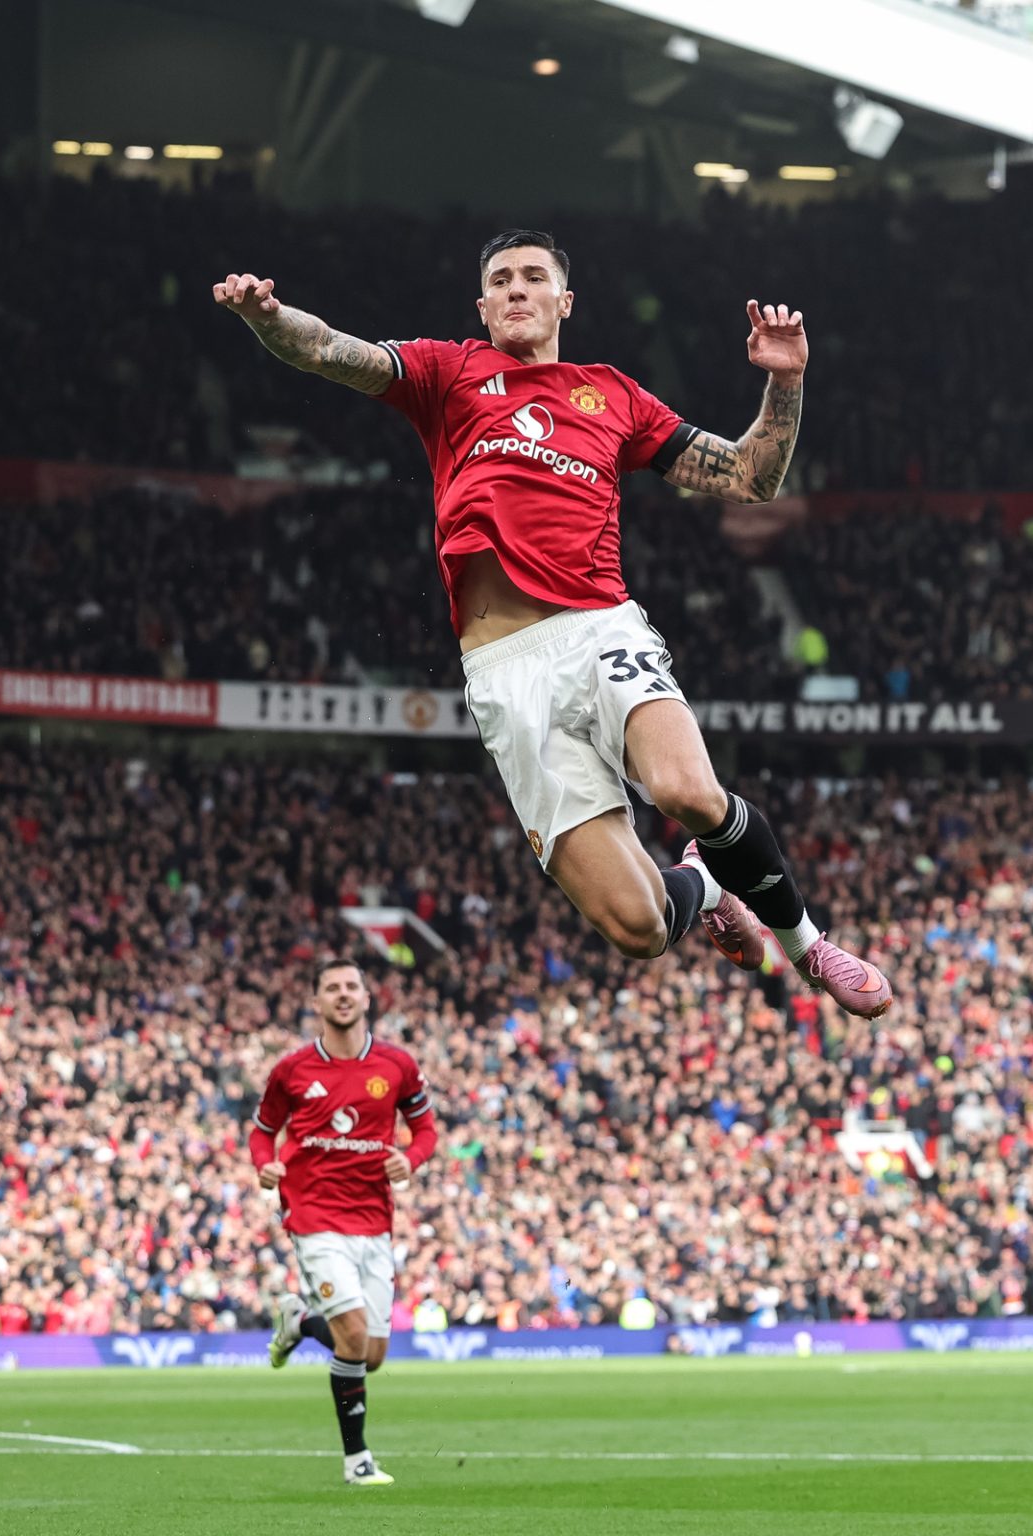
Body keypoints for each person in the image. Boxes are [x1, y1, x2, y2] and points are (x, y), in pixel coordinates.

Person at [213, 231, 891, 1017]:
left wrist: (786, 384)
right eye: (500, 279)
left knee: (685, 790)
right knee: (635, 927)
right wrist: (268, 317)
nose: (516, 290)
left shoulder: (613, 395)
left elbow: (751, 477)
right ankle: (704, 883)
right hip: (505, 674)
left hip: (600, 630)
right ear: (482, 304)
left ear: (564, 301)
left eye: (535, 277)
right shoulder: (449, 372)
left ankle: (808, 947)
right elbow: (331, 349)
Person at [250, 958, 440, 1488]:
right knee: (353, 1335)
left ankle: (299, 1322)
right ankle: (358, 1462)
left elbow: (425, 1129)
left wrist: (413, 1158)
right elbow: (263, 1130)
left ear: (366, 997)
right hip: (312, 1215)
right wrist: (263, 1163)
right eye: (331, 988)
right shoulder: (291, 1070)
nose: (342, 994)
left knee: (371, 1354)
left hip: (373, 1221)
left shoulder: (396, 1065)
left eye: (350, 986)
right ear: (316, 1003)